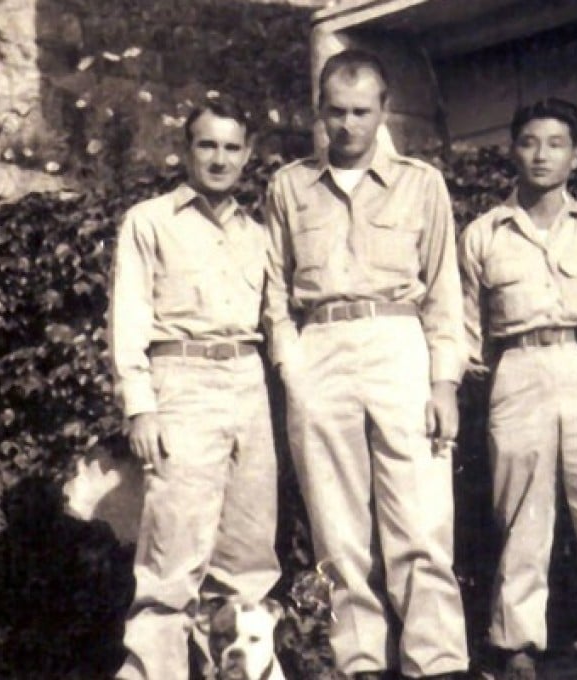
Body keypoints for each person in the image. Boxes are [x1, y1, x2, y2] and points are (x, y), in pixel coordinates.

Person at [262, 49, 468, 680]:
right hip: (321, 351)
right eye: (335, 112)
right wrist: (292, 366)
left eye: (360, 111)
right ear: (318, 112)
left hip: (399, 346)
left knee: (422, 522)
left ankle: (436, 663)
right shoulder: (288, 186)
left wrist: (444, 383)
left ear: (383, 111)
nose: (347, 125)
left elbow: (444, 291)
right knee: (338, 530)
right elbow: (275, 290)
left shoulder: (421, 182)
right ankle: (359, 664)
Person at [460, 98, 577, 680]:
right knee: (522, 514)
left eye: (556, 143)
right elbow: (468, 329)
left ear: (576, 155)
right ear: (513, 150)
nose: (542, 155)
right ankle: (517, 646)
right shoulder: (484, 234)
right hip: (518, 370)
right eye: (529, 142)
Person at [108, 97, 281, 680]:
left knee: (250, 555)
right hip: (181, 380)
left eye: (232, 147)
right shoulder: (149, 221)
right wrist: (141, 406)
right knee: (172, 556)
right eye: (207, 144)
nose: (219, 158)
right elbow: (128, 319)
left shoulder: (259, 233)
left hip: (249, 384)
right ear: (185, 150)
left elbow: (275, 319)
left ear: (248, 155)